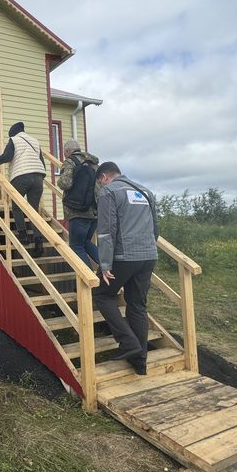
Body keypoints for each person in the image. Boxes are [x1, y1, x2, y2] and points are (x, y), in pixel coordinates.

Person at [92, 162, 159, 375]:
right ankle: (140, 362)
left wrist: (104, 264)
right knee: (137, 305)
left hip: (123, 256)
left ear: (104, 177)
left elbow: (105, 231)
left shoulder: (109, 192)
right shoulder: (145, 191)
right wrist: (147, 248)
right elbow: (155, 228)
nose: (100, 187)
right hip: (148, 256)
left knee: (102, 294)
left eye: (99, 183)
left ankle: (128, 343)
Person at [0, 121, 46, 256]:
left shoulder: (14, 140)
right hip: (38, 178)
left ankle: (23, 237)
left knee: (17, 206)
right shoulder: (35, 141)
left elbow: (6, 157)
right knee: (33, 211)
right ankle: (38, 242)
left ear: (12, 133)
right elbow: (42, 163)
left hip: (21, 176)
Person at [57, 139, 99, 268]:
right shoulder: (94, 164)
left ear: (68, 151)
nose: (64, 155)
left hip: (78, 212)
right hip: (95, 212)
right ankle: (109, 268)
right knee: (86, 242)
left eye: (64, 152)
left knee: (76, 247)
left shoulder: (70, 162)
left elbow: (65, 183)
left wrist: (59, 180)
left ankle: (90, 281)